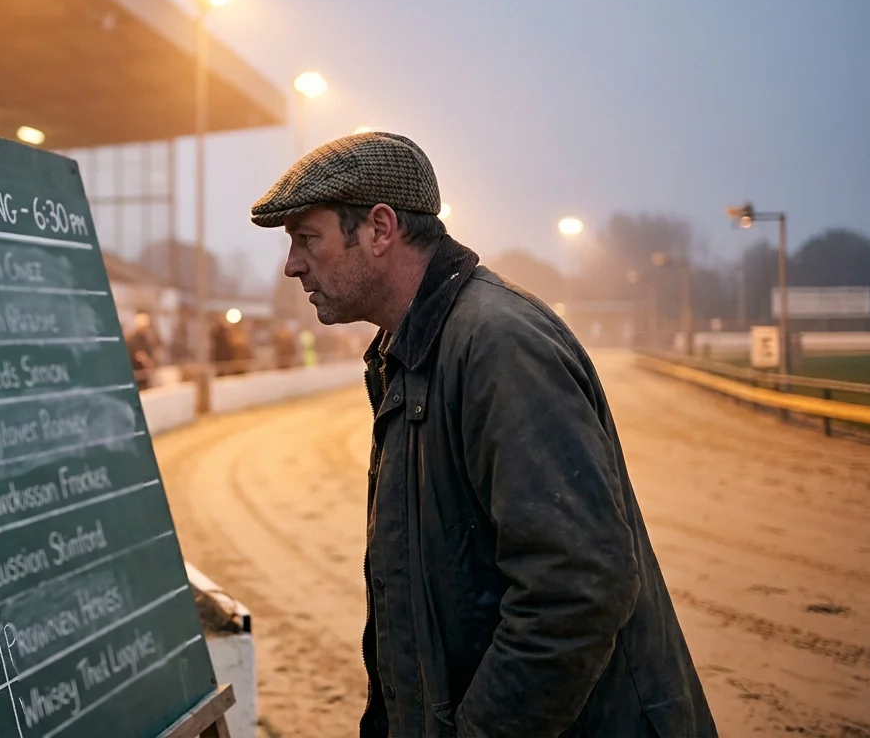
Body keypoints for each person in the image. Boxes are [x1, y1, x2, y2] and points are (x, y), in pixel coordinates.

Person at [249, 131, 716, 737]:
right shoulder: (412, 351)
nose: (293, 265)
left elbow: (575, 590)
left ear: (381, 229)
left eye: (307, 238)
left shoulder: (499, 344)